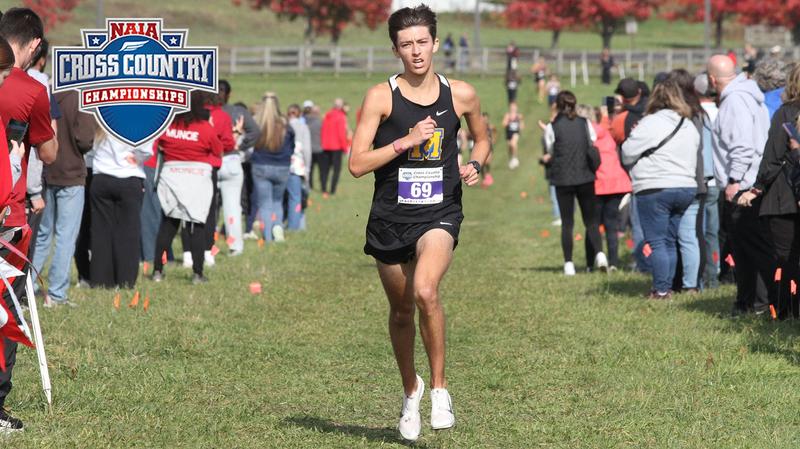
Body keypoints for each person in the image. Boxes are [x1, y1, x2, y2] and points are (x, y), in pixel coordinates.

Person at [348, 5, 489, 441]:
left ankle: (440, 391)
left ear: (435, 43)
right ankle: (412, 390)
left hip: (439, 213)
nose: (415, 51)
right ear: (395, 49)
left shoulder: (460, 94)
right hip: (391, 217)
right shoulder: (381, 97)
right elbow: (356, 163)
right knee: (402, 310)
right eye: (406, 44)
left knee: (426, 290)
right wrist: (404, 142)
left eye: (422, 42)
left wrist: (476, 164)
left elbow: (483, 138)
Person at [0, 8, 57, 433]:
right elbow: (50, 153)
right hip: (8, 216)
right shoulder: (30, 90)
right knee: (5, 311)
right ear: (35, 44)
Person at [708, 54, 775, 316]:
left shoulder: (734, 102)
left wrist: (734, 180)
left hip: (743, 185)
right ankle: (749, 301)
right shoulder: (748, 96)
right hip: (751, 181)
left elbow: (742, 146)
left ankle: (762, 302)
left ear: (713, 79)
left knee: (751, 247)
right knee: (745, 249)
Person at [622, 79, 699, 299]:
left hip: (655, 186)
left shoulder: (650, 123)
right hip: (685, 186)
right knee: (669, 240)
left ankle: (662, 289)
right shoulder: (688, 124)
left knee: (656, 241)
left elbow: (627, 152)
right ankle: (667, 286)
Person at [738, 64, 800, 318]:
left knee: (786, 258)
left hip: (784, 195)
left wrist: (756, 188)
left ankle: (786, 309)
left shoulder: (786, 113)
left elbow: (773, 157)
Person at [152, 91, 222, 284]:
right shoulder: (205, 128)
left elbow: (157, 147)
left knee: (168, 225)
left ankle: (157, 270)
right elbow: (217, 151)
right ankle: (197, 273)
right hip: (196, 179)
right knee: (197, 225)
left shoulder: (168, 126)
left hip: (171, 177)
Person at [32, 89, 94, 306]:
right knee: (65, 237)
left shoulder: (48, 93)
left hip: (48, 171)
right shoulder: (82, 98)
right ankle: (57, 294)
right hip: (72, 173)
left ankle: (28, 287)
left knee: (42, 235)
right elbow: (85, 140)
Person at [541, 91, 605, 275]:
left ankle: (568, 264)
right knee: (591, 221)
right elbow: (591, 142)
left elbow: (551, 149)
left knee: (567, 223)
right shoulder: (585, 123)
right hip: (585, 176)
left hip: (563, 179)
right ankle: (600, 254)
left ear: (557, 106)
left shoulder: (552, 127)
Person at [90, 126, 151, 289]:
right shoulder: (135, 120)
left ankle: (101, 280)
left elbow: (91, 146)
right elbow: (146, 149)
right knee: (128, 233)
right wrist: (136, 157)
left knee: (101, 232)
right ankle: (126, 280)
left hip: (101, 177)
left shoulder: (101, 119)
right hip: (129, 177)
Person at [578, 105, 630, 271]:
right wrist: (605, 115)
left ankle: (589, 264)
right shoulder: (605, 130)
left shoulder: (584, 134)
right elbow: (608, 125)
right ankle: (614, 263)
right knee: (611, 225)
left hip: (598, 183)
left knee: (592, 224)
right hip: (617, 182)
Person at [218, 79, 261, 255]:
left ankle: (205, 246)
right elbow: (256, 131)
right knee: (233, 207)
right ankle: (235, 246)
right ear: (229, 95)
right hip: (232, 160)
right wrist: (240, 145)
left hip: (212, 160)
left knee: (208, 206)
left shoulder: (209, 112)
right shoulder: (238, 112)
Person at [251, 92, 294, 242]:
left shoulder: (256, 124)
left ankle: (268, 237)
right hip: (282, 167)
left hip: (260, 167)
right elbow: (292, 147)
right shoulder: (286, 125)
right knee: (277, 201)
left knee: (264, 204)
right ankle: (278, 231)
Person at [694, 74, 721, 289]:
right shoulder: (723, 112)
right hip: (723, 179)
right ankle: (715, 273)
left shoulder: (696, 116)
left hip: (703, 178)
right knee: (715, 232)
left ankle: (704, 276)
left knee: (700, 233)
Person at [286, 103, 311, 230]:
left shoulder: (283, 125)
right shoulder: (302, 127)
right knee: (296, 198)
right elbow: (306, 150)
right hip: (297, 167)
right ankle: (294, 227)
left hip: (283, 165)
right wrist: (308, 168)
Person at [319, 98, 348, 197]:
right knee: (336, 170)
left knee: (325, 169)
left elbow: (322, 130)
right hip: (336, 147)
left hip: (326, 146)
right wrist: (345, 148)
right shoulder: (341, 116)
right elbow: (341, 134)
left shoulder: (327, 115)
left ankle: (323, 189)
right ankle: (332, 190)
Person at [303, 101, 323, 189]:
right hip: (319, 148)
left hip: (308, 148)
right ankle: (323, 186)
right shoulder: (320, 122)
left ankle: (310, 185)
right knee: (322, 170)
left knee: (309, 169)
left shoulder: (303, 121)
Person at [502, 102, 523, 170]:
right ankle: (511, 159)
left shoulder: (519, 116)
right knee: (509, 147)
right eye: (512, 107)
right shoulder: (507, 115)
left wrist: (520, 125)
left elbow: (522, 125)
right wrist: (508, 121)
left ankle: (515, 158)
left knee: (513, 144)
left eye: (514, 107)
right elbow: (504, 124)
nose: (513, 109)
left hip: (516, 133)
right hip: (509, 133)